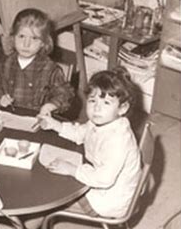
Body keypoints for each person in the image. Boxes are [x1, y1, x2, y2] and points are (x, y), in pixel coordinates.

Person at [37, 67, 141, 218]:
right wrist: (54, 124)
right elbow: (80, 133)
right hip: (100, 181)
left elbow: (104, 179)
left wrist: (72, 170)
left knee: (49, 197)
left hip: (109, 200)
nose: (97, 108)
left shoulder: (117, 140)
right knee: (54, 175)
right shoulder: (102, 121)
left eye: (106, 102)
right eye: (92, 100)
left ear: (122, 108)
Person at [0, 8, 74, 120]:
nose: (26, 44)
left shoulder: (50, 69)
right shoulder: (5, 63)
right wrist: (0, 97)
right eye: (21, 36)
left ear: (43, 43)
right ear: (13, 37)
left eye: (34, 38)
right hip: (8, 116)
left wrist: (51, 106)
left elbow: (66, 94)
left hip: (38, 120)